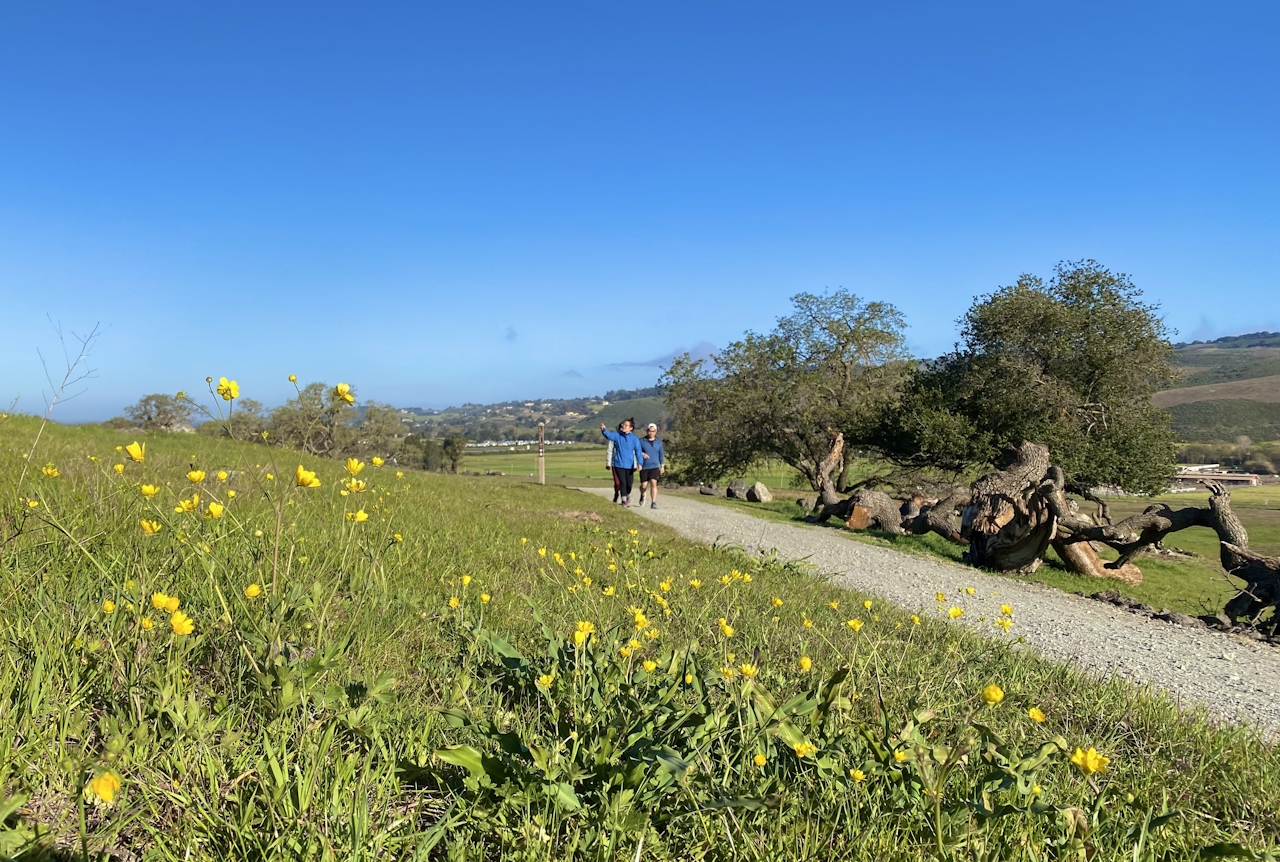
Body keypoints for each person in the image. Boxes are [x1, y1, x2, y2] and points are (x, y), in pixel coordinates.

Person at [600, 418, 643, 507]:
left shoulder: (634, 439)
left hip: (629, 465)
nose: (623, 426)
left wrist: (640, 463)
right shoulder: (617, 435)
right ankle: (623, 500)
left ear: (631, 428)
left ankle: (627, 495)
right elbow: (609, 436)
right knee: (622, 483)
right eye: (623, 424)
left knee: (629, 484)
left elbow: (638, 451)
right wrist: (604, 430)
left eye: (626, 425)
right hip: (618, 463)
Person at [637, 422, 665, 508]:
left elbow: (661, 454)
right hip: (644, 466)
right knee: (644, 485)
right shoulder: (641, 441)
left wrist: (662, 466)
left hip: (654, 466)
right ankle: (642, 494)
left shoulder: (659, 442)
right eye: (649, 431)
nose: (651, 433)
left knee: (654, 483)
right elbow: (636, 451)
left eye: (653, 431)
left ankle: (653, 502)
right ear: (647, 431)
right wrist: (642, 454)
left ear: (656, 431)